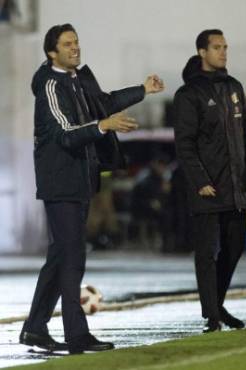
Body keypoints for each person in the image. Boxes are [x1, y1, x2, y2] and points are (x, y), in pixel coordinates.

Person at [20, 23, 164, 354]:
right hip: (61, 185)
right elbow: (67, 134)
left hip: (81, 182)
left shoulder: (77, 79)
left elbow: (104, 103)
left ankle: (34, 328)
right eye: (67, 44)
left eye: (77, 42)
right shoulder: (51, 86)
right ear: (51, 52)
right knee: (73, 259)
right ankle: (77, 335)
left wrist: (142, 90)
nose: (75, 47)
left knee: (59, 258)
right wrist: (104, 126)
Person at [173, 29, 246, 333]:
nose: (223, 52)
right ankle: (212, 316)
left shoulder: (233, 88)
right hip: (208, 188)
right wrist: (200, 180)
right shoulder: (188, 94)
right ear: (202, 52)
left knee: (235, 246)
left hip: (235, 187)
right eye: (216, 47)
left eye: (225, 47)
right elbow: (184, 144)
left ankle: (217, 304)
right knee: (207, 253)